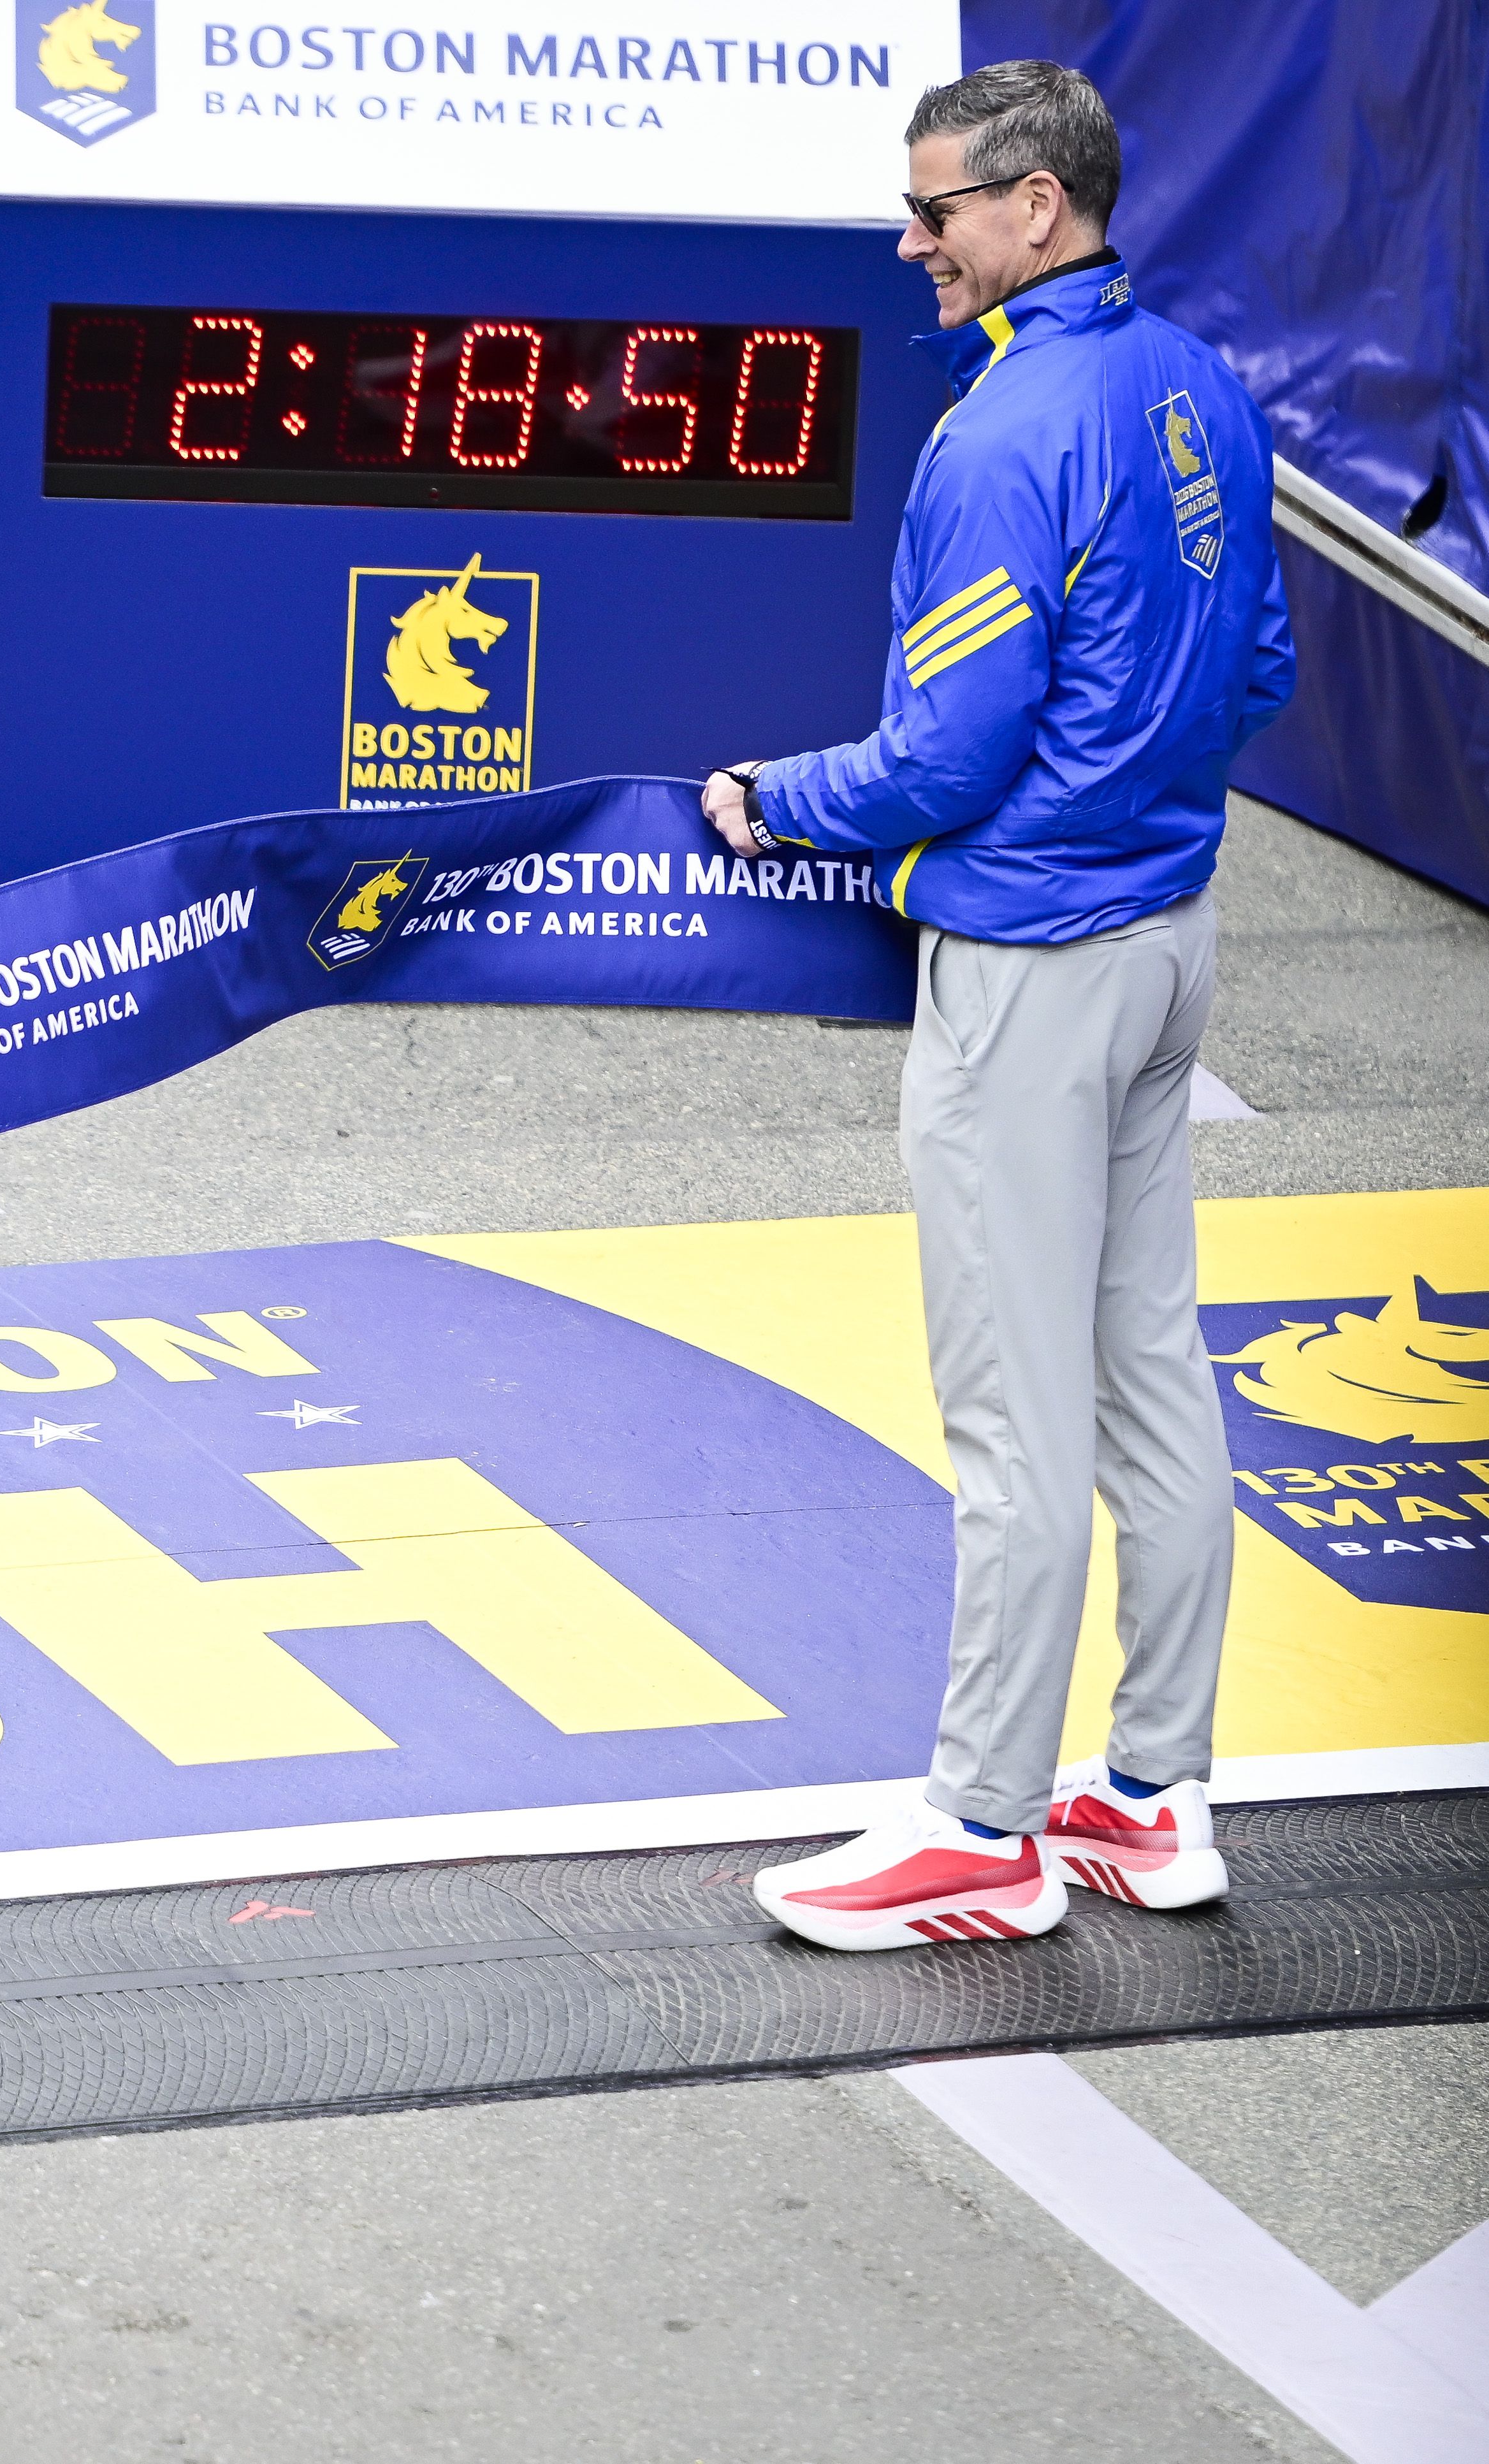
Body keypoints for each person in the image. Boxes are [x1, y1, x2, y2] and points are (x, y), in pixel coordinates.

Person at [702, 60, 1295, 1953]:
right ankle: (1151, 1793)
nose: (912, 239)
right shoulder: (1203, 382)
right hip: (1171, 947)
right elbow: (1259, 662)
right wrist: (1130, 789)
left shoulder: (1000, 432)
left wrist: (776, 798)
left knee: (1018, 1423)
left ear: (1039, 209)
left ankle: (980, 1825)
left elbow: (945, 750)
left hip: (1036, 974)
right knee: (1152, 1379)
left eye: (937, 208)